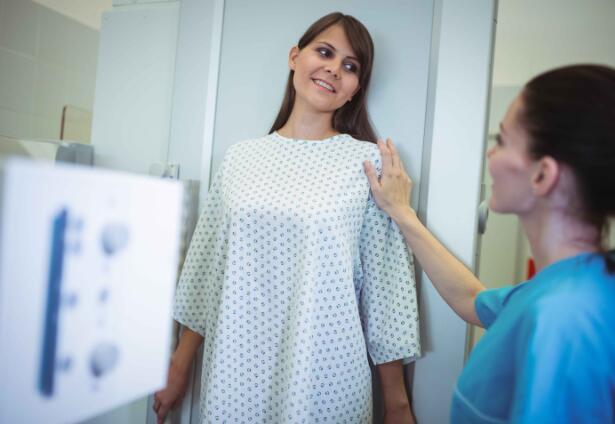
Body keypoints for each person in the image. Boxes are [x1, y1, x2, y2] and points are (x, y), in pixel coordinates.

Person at [153, 12, 421, 424]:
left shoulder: (367, 162)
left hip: (325, 375)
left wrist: (397, 404)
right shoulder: (240, 158)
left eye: (350, 66)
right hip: (234, 369)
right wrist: (179, 365)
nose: (334, 68)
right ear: (295, 57)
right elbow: (207, 269)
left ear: (354, 90)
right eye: (325, 52)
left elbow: (387, 293)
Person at [364, 64, 615, 423]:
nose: (489, 156)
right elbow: (470, 299)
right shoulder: (570, 287)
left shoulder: (564, 319)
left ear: (542, 174)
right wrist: (401, 212)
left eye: (501, 141)